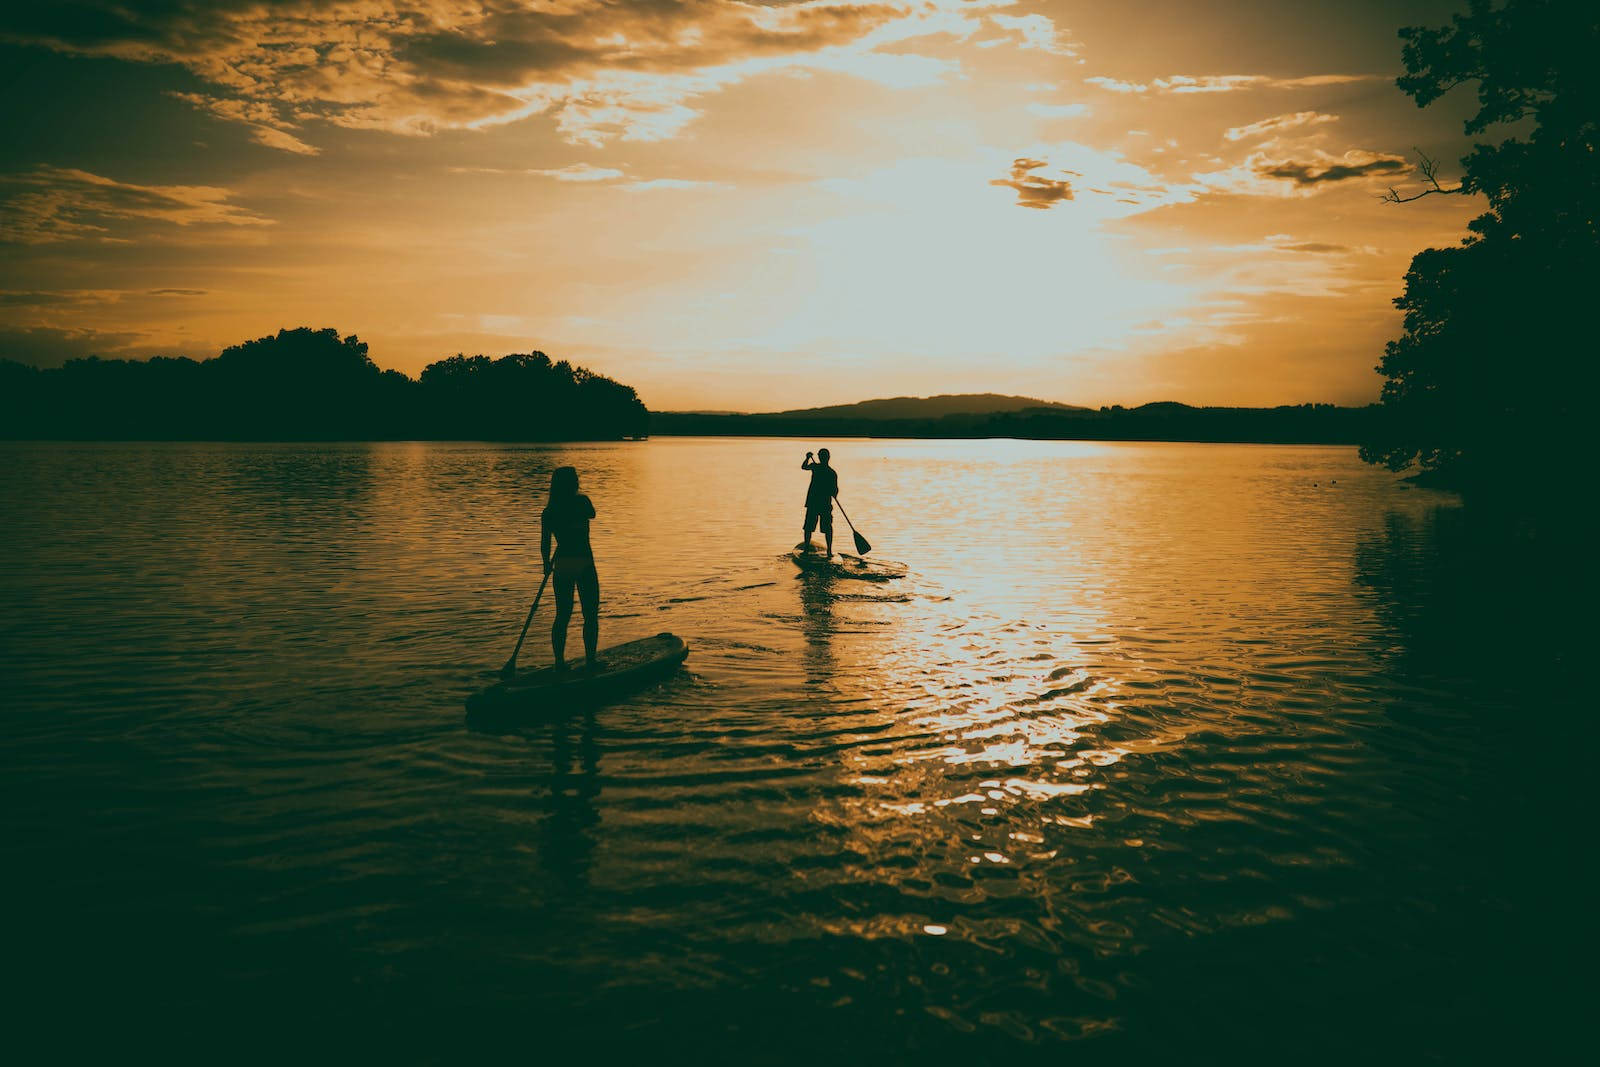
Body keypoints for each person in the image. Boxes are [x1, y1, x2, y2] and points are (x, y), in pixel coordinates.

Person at [541, 466, 600, 670]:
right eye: (575, 479)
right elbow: (592, 514)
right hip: (584, 563)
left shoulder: (550, 512)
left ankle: (559, 662)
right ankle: (590, 659)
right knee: (590, 614)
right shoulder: (581, 502)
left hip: (563, 565)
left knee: (562, 615)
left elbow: (545, 542)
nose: (578, 482)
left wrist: (546, 563)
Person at [798, 447, 839, 555]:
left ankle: (810, 549)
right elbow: (835, 491)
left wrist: (807, 458)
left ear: (825, 458)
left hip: (816, 503)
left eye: (822, 456)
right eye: (821, 456)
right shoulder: (830, 472)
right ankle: (828, 551)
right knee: (821, 527)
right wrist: (807, 458)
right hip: (822, 503)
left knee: (810, 527)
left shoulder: (818, 468)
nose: (822, 458)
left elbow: (804, 466)